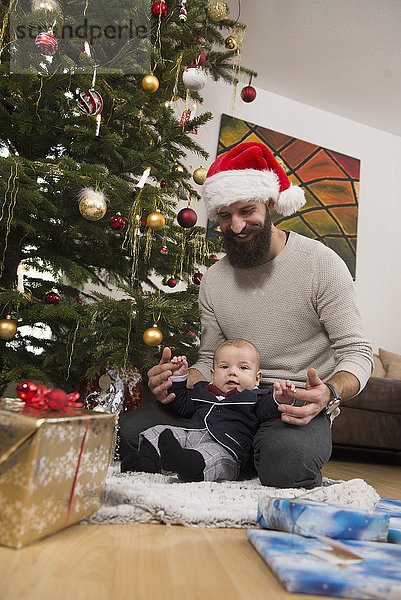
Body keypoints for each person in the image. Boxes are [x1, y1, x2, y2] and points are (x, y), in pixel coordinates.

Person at [118, 141, 373, 489]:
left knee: (286, 464)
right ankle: (236, 452)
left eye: (246, 211)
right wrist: (175, 382)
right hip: (224, 399)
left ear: (269, 204)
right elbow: (209, 357)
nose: (236, 226)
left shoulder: (321, 263)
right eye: (225, 215)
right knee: (130, 433)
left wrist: (329, 392)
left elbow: (357, 353)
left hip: (289, 403)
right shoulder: (215, 279)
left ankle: (238, 454)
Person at [120, 339, 296, 482]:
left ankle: (183, 464)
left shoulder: (255, 397)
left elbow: (267, 411)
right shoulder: (203, 390)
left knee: (214, 458)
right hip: (192, 432)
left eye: (243, 368)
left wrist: (281, 398)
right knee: (162, 432)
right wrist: (180, 377)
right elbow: (182, 404)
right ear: (212, 374)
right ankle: (146, 463)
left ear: (257, 378)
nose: (232, 372)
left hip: (225, 445)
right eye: (224, 367)